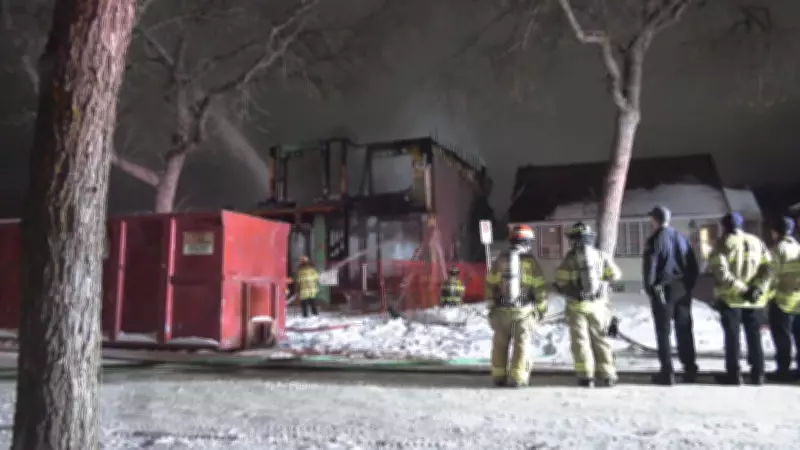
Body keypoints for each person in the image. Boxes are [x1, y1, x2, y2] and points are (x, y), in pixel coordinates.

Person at [708, 212, 773, 385]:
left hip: (731, 300)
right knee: (755, 338)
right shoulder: (757, 241)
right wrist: (757, 288)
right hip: (755, 301)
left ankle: (734, 374)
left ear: (725, 226)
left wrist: (742, 289)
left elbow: (721, 272)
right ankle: (758, 374)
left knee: (732, 338)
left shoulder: (722, 244)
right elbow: (768, 268)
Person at [554, 222, 622, 388]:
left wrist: (567, 289)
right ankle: (608, 375)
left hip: (577, 308)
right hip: (598, 307)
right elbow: (615, 275)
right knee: (601, 340)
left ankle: (586, 376)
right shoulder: (600, 255)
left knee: (580, 342)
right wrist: (601, 283)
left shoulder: (570, 259)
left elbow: (561, 281)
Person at [484, 224, 548, 388]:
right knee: (522, 345)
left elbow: (490, 285)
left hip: (502, 311)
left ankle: (498, 377)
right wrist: (541, 310)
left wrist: (492, 308)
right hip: (523, 312)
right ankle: (518, 378)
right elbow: (539, 289)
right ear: (527, 242)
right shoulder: (531, 264)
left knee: (500, 344)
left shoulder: (500, 260)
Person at [642, 205, 700, 385]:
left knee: (663, 330)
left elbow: (650, 267)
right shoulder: (681, 238)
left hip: (662, 288)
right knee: (684, 328)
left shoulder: (655, 239)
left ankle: (667, 371)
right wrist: (688, 285)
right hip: (682, 287)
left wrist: (651, 289)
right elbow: (693, 266)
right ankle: (690, 368)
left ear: (655, 220)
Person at [766, 216, 800, 382]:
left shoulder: (777, 249)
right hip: (798, 300)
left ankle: (783, 370)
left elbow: (770, 276)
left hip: (782, 300)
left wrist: (765, 296)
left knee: (782, 337)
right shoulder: (797, 247)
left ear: (776, 232)